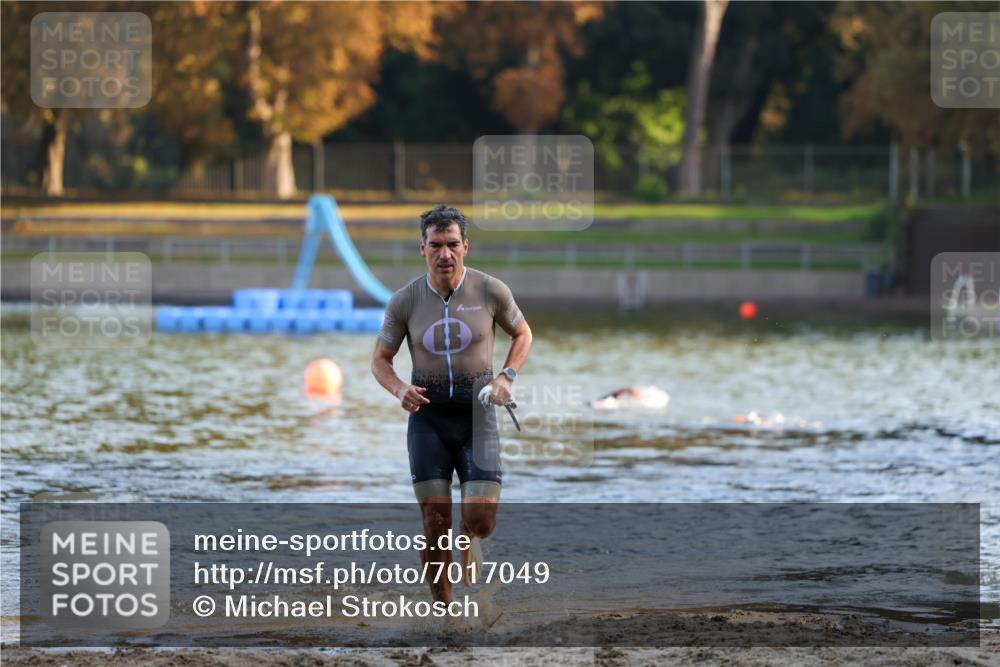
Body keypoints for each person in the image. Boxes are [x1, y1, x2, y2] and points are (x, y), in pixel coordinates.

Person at [371, 205, 532, 603]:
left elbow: (523, 333)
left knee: (480, 520)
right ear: (421, 248)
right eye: (436, 245)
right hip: (428, 421)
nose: (445, 254)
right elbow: (380, 360)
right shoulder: (404, 301)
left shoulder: (491, 290)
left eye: (453, 245)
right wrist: (398, 389)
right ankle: (446, 613)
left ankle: (469, 534)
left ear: (466, 247)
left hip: (478, 417)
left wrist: (506, 376)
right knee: (434, 523)